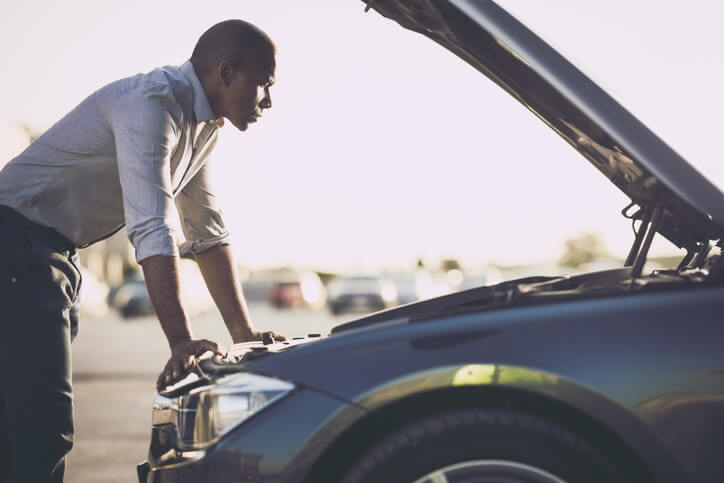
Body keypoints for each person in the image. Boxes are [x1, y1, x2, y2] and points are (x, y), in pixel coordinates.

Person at [0, 19, 284, 482]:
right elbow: (152, 226)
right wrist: (181, 342)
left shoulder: (203, 129)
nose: (268, 101)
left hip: (55, 254)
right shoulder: (150, 107)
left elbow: (207, 236)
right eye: (263, 85)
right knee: (41, 429)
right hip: (14, 245)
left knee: (14, 426)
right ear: (227, 72)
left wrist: (244, 333)